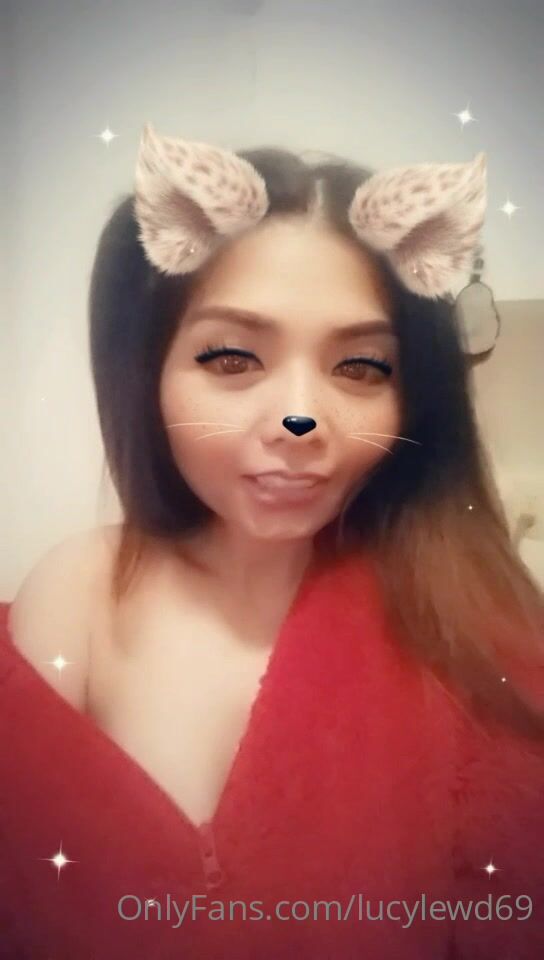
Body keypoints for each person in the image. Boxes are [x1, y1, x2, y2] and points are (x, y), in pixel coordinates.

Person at [1, 124, 543, 959]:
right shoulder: (79, 592)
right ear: (148, 371)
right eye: (231, 358)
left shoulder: (476, 634)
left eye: (360, 367)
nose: (300, 420)